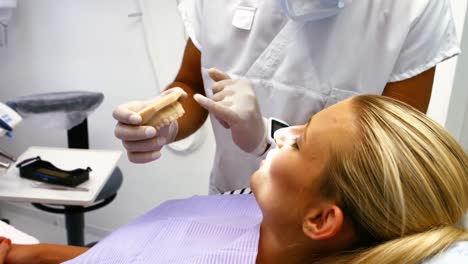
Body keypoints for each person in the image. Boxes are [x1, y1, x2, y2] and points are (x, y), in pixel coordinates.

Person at [4, 95, 468, 263]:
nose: (282, 132)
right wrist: (29, 255)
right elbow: (137, 251)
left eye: (302, 142)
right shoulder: (250, 206)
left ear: (322, 219)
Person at [113, 0, 460, 194]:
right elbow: (190, 84)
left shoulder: (413, 7)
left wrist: (267, 138)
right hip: (228, 202)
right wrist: (164, 120)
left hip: (338, 215)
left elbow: (392, 151)